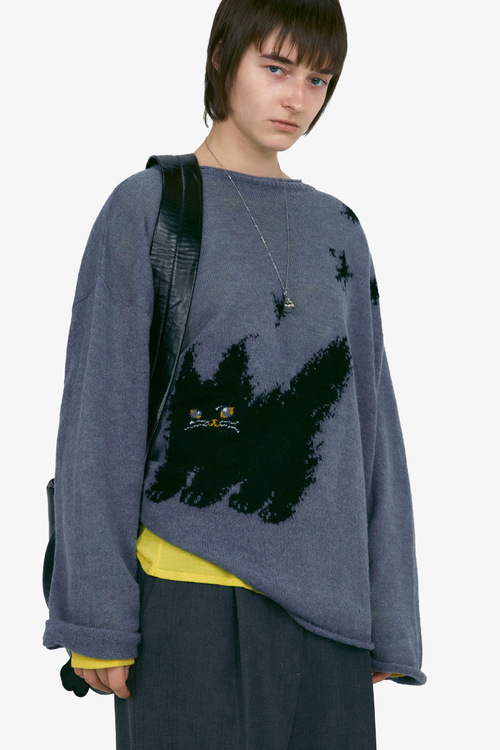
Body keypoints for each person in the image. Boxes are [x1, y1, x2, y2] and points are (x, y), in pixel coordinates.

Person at [43, 0, 426, 747]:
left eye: (318, 79)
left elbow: (370, 430)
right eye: (276, 68)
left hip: (329, 619)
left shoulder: (339, 230)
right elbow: (100, 418)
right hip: (186, 607)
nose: (297, 98)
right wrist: (95, 615)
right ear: (223, 58)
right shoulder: (148, 209)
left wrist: (391, 618)